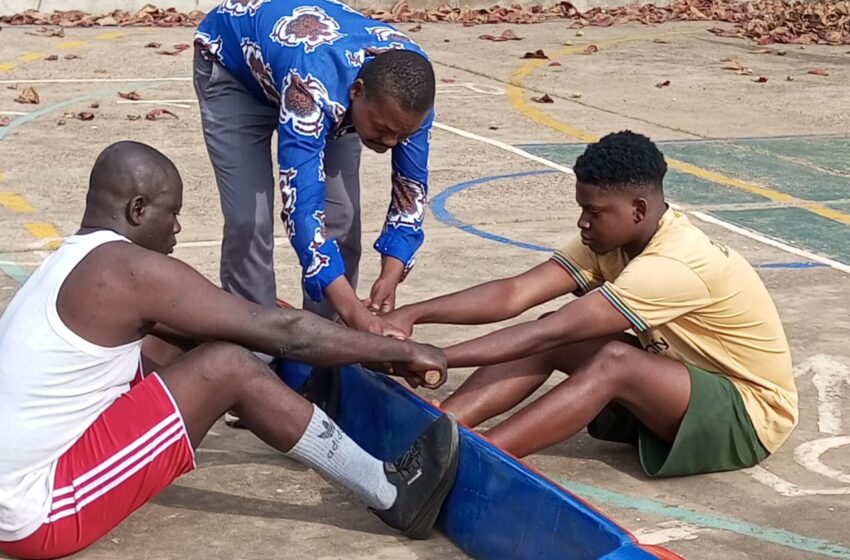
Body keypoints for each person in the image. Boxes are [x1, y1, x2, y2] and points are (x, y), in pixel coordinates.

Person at [0, 142, 459, 560]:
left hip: (14, 489)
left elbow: (238, 326)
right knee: (226, 367)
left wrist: (357, 351)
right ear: (138, 210)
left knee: (193, 339)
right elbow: (285, 330)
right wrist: (398, 351)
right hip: (34, 512)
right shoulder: (128, 270)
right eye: (172, 212)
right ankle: (393, 494)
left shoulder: (71, 260)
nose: (178, 226)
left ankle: (300, 414)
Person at [384, 131, 798, 477]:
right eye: (582, 208)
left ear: (638, 210)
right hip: (683, 385)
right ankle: (435, 432)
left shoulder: (674, 262)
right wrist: (413, 315)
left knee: (609, 357)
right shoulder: (613, 239)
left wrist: (437, 355)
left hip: (747, 418)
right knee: (560, 335)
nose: (583, 221)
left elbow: (551, 331)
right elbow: (514, 293)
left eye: (594, 211)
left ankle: (465, 464)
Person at [193, 0, 436, 341]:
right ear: (356, 92)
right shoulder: (313, 86)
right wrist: (356, 314)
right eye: (382, 128)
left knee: (343, 220)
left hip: (316, 81)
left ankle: (325, 348)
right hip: (236, 71)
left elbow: (411, 191)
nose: (392, 141)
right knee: (250, 220)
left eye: (403, 133)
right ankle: (251, 346)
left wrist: (391, 273)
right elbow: (302, 210)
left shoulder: (410, 101)